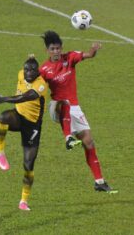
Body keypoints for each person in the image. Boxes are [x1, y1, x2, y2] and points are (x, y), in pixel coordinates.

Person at [39, 30, 118, 193]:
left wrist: (93, 50)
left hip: (75, 108)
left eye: (58, 48)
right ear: (47, 50)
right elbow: (37, 88)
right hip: (57, 107)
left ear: (61, 48)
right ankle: (67, 137)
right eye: (52, 49)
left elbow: (88, 55)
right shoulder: (44, 69)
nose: (56, 52)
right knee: (63, 103)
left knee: (89, 141)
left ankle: (99, 182)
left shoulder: (70, 58)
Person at [0, 56, 48, 211]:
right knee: (3, 117)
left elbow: (24, 97)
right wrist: (31, 58)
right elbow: (28, 64)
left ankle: (23, 201)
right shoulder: (21, 74)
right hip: (18, 117)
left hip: (32, 126)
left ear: (38, 72)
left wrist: (5, 98)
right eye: (26, 69)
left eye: (32, 70)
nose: (28, 72)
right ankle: (0, 152)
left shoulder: (41, 85)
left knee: (28, 164)